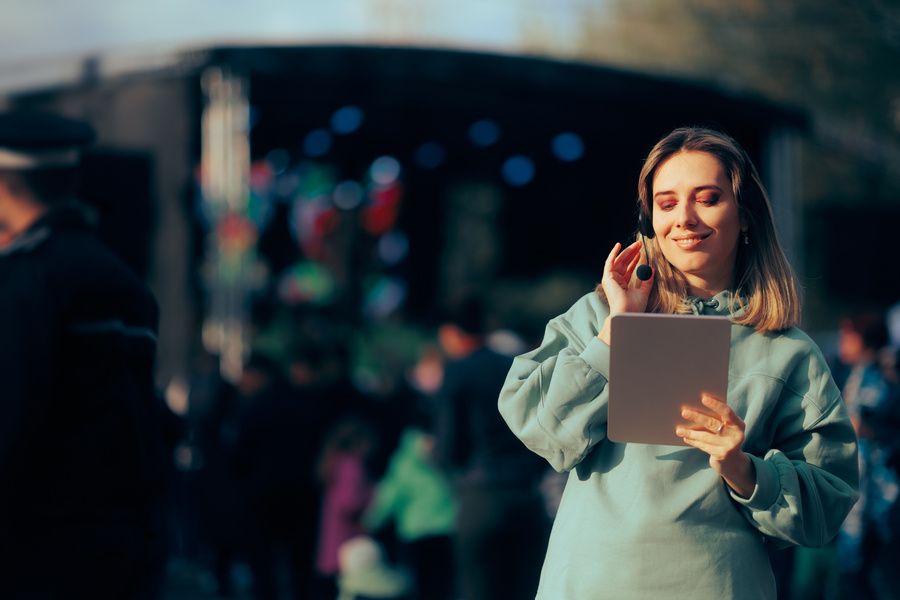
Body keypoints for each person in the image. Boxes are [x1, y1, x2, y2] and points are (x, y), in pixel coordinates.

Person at [498, 126, 859, 599]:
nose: (684, 218)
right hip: (588, 583)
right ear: (651, 219)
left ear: (745, 215)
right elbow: (540, 428)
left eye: (707, 198)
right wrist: (616, 330)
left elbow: (825, 507)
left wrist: (743, 467)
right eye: (666, 203)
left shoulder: (787, 351)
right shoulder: (596, 314)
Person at [0, 111, 165, 598]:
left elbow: (9, 426)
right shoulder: (123, 281)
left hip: (33, 558)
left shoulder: (21, 283)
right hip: (117, 554)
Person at [434, 297, 550, 600]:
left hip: (481, 497)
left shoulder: (457, 371)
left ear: (449, 333)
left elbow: (450, 443)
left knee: (477, 589)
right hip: (526, 495)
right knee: (525, 588)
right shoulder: (510, 364)